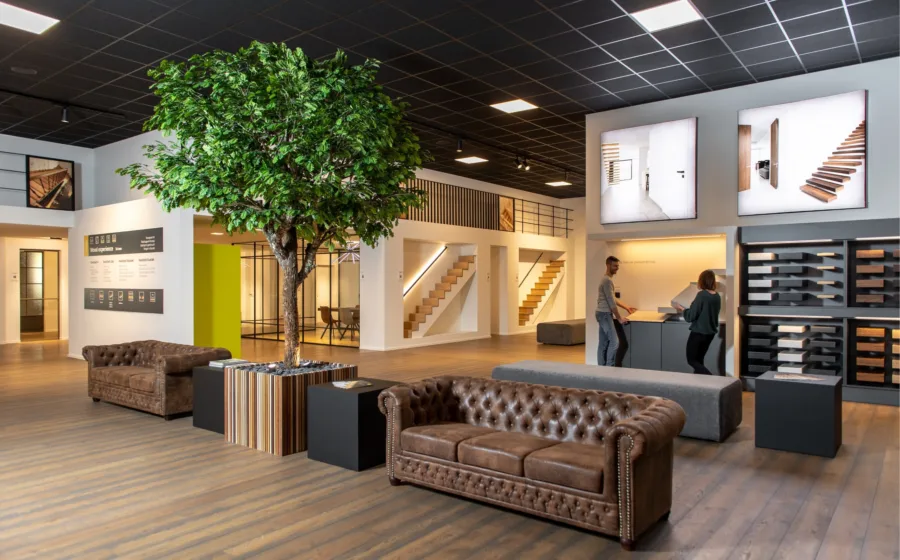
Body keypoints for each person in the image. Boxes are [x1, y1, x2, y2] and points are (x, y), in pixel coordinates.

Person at [673, 270, 721, 375]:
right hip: (710, 334)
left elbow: (691, 316)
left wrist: (681, 309)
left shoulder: (702, 295)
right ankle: (701, 383)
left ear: (702, 280)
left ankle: (712, 379)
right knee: (699, 360)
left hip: (699, 333)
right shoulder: (717, 296)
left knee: (692, 360)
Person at [596, 256, 628, 367]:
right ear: (608, 265)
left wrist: (627, 307)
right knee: (614, 342)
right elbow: (611, 302)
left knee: (603, 343)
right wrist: (619, 318)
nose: (617, 268)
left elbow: (612, 298)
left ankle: (601, 368)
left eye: (618, 266)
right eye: (615, 266)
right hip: (604, 314)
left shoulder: (606, 280)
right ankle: (609, 368)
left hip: (601, 314)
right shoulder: (607, 281)